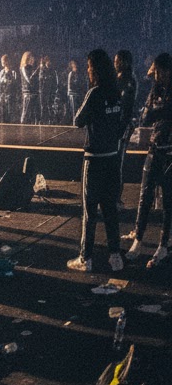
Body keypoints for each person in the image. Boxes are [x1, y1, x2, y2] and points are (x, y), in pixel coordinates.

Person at [67, 49, 127, 273]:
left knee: (89, 212)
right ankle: (115, 257)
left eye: (89, 66)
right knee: (110, 209)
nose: (87, 70)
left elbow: (78, 121)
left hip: (94, 160)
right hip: (112, 158)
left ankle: (86, 258)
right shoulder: (116, 93)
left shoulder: (94, 93)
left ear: (95, 69)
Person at [125, 53, 172, 268]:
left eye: (160, 72)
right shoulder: (156, 89)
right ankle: (138, 240)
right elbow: (145, 117)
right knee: (144, 197)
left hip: (170, 153)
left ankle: (163, 246)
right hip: (154, 149)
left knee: (168, 202)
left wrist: (157, 112)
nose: (157, 76)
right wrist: (158, 112)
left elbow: (161, 112)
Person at [114, 49, 138, 204]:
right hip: (120, 126)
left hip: (122, 127)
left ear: (123, 62)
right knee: (115, 163)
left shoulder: (128, 80)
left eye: (117, 61)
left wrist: (121, 130)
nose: (114, 63)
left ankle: (116, 199)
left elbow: (126, 107)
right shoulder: (123, 78)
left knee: (117, 163)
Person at [0, 54, 19, 123]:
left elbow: (15, 86)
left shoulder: (13, 72)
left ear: (7, 61)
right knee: (3, 114)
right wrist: (0, 96)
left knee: (10, 114)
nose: (2, 62)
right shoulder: (1, 73)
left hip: (11, 97)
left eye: (3, 61)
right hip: (3, 97)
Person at [19, 51, 39, 124]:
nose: (33, 60)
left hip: (34, 93)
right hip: (27, 93)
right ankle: (23, 127)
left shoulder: (31, 68)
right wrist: (37, 71)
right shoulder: (23, 68)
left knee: (34, 113)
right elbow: (29, 79)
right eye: (31, 58)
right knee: (26, 112)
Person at [38, 55, 58, 125]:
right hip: (43, 91)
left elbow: (55, 82)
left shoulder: (53, 71)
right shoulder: (42, 70)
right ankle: (43, 120)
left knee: (50, 105)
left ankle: (51, 120)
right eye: (48, 61)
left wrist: (54, 91)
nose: (49, 63)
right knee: (43, 106)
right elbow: (40, 80)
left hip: (50, 91)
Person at [66, 59, 84, 125]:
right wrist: (77, 85)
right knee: (74, 109)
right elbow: (70, 86)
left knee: (78, 109)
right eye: (74, 65)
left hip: (78, 94)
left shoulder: (78, 74)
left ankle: (77, 122)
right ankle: (74, 123)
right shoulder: (71, 74)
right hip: (72, 94)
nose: (75, 66)